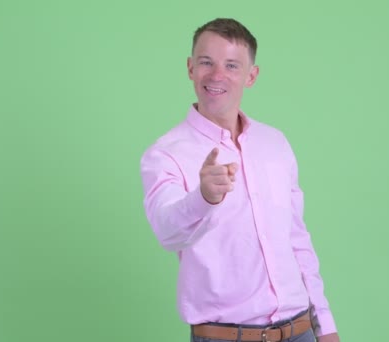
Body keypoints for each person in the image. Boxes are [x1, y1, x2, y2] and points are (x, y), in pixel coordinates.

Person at [140, 18, 340, 342]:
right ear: (191, 68)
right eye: (207, 62)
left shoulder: (275, 144)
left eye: (232, 65)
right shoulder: (165, 153)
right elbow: (167, 231)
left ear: (251, 76)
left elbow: (297, 240)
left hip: (301, 331)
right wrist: (203, 197)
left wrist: (326, 325)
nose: (217, 75)